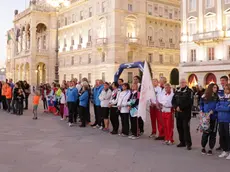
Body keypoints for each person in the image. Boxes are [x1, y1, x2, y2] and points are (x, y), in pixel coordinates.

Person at [172, 78, 193, 150]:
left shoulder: (189, 91)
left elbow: (189, 102)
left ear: (186, 83)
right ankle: (182, 142)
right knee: (179, 127)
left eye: (183, 82)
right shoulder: (177, 91)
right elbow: (173, 100)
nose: (182, 84)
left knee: (186, 128)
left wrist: (180, 107)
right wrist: (176, 107)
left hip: (185, 114)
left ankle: (188, 144)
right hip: (178, 114)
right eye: (181, 82)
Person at [199, 83, 219, 155]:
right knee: (205, 133)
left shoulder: (217, 97)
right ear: (210, 88)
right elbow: (201, 103)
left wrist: (213, 111)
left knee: (213, 134)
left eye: (216, 88)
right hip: (206, 117)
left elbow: (218, 106)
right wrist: (201, 110)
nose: (215, 89)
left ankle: (210, 148)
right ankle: (203, 147)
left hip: (214, 117)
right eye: (214, 88)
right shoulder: (204, 96)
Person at [216, 83, 230, 160]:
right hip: (220, 119)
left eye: (227, 89)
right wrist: (224, 107)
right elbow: (217, 107)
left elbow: (228, 109)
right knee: (222, 135)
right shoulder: (221, 97)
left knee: (228, 136)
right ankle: (225, 150)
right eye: (224, 89)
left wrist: (222, 107)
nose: (225, 90)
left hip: (228, 120)